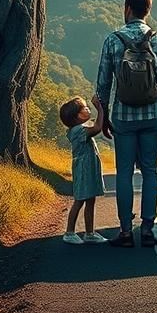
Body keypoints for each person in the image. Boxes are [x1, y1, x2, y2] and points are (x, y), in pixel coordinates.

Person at [96, 0, 157, 248]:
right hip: (153, 114)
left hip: (123, 116)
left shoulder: (113, 40)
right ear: (148, 11)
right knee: (150, 171)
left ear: (127, 9)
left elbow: (103, 83)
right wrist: (152, 90)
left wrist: (103, 117)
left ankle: (125, 231)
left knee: (124, 172)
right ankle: (147, 229)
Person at [60, 94, 108, 244]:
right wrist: (100, 109)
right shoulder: (77, 131)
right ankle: (69, 232)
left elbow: (96, 125)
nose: (88, 109)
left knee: (90, 200)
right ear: (77, 117)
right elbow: (97, 128)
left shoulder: (79, 128)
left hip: (88, 168)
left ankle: (89, 232)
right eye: (85, 108)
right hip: (83, 169)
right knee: (79, 200)